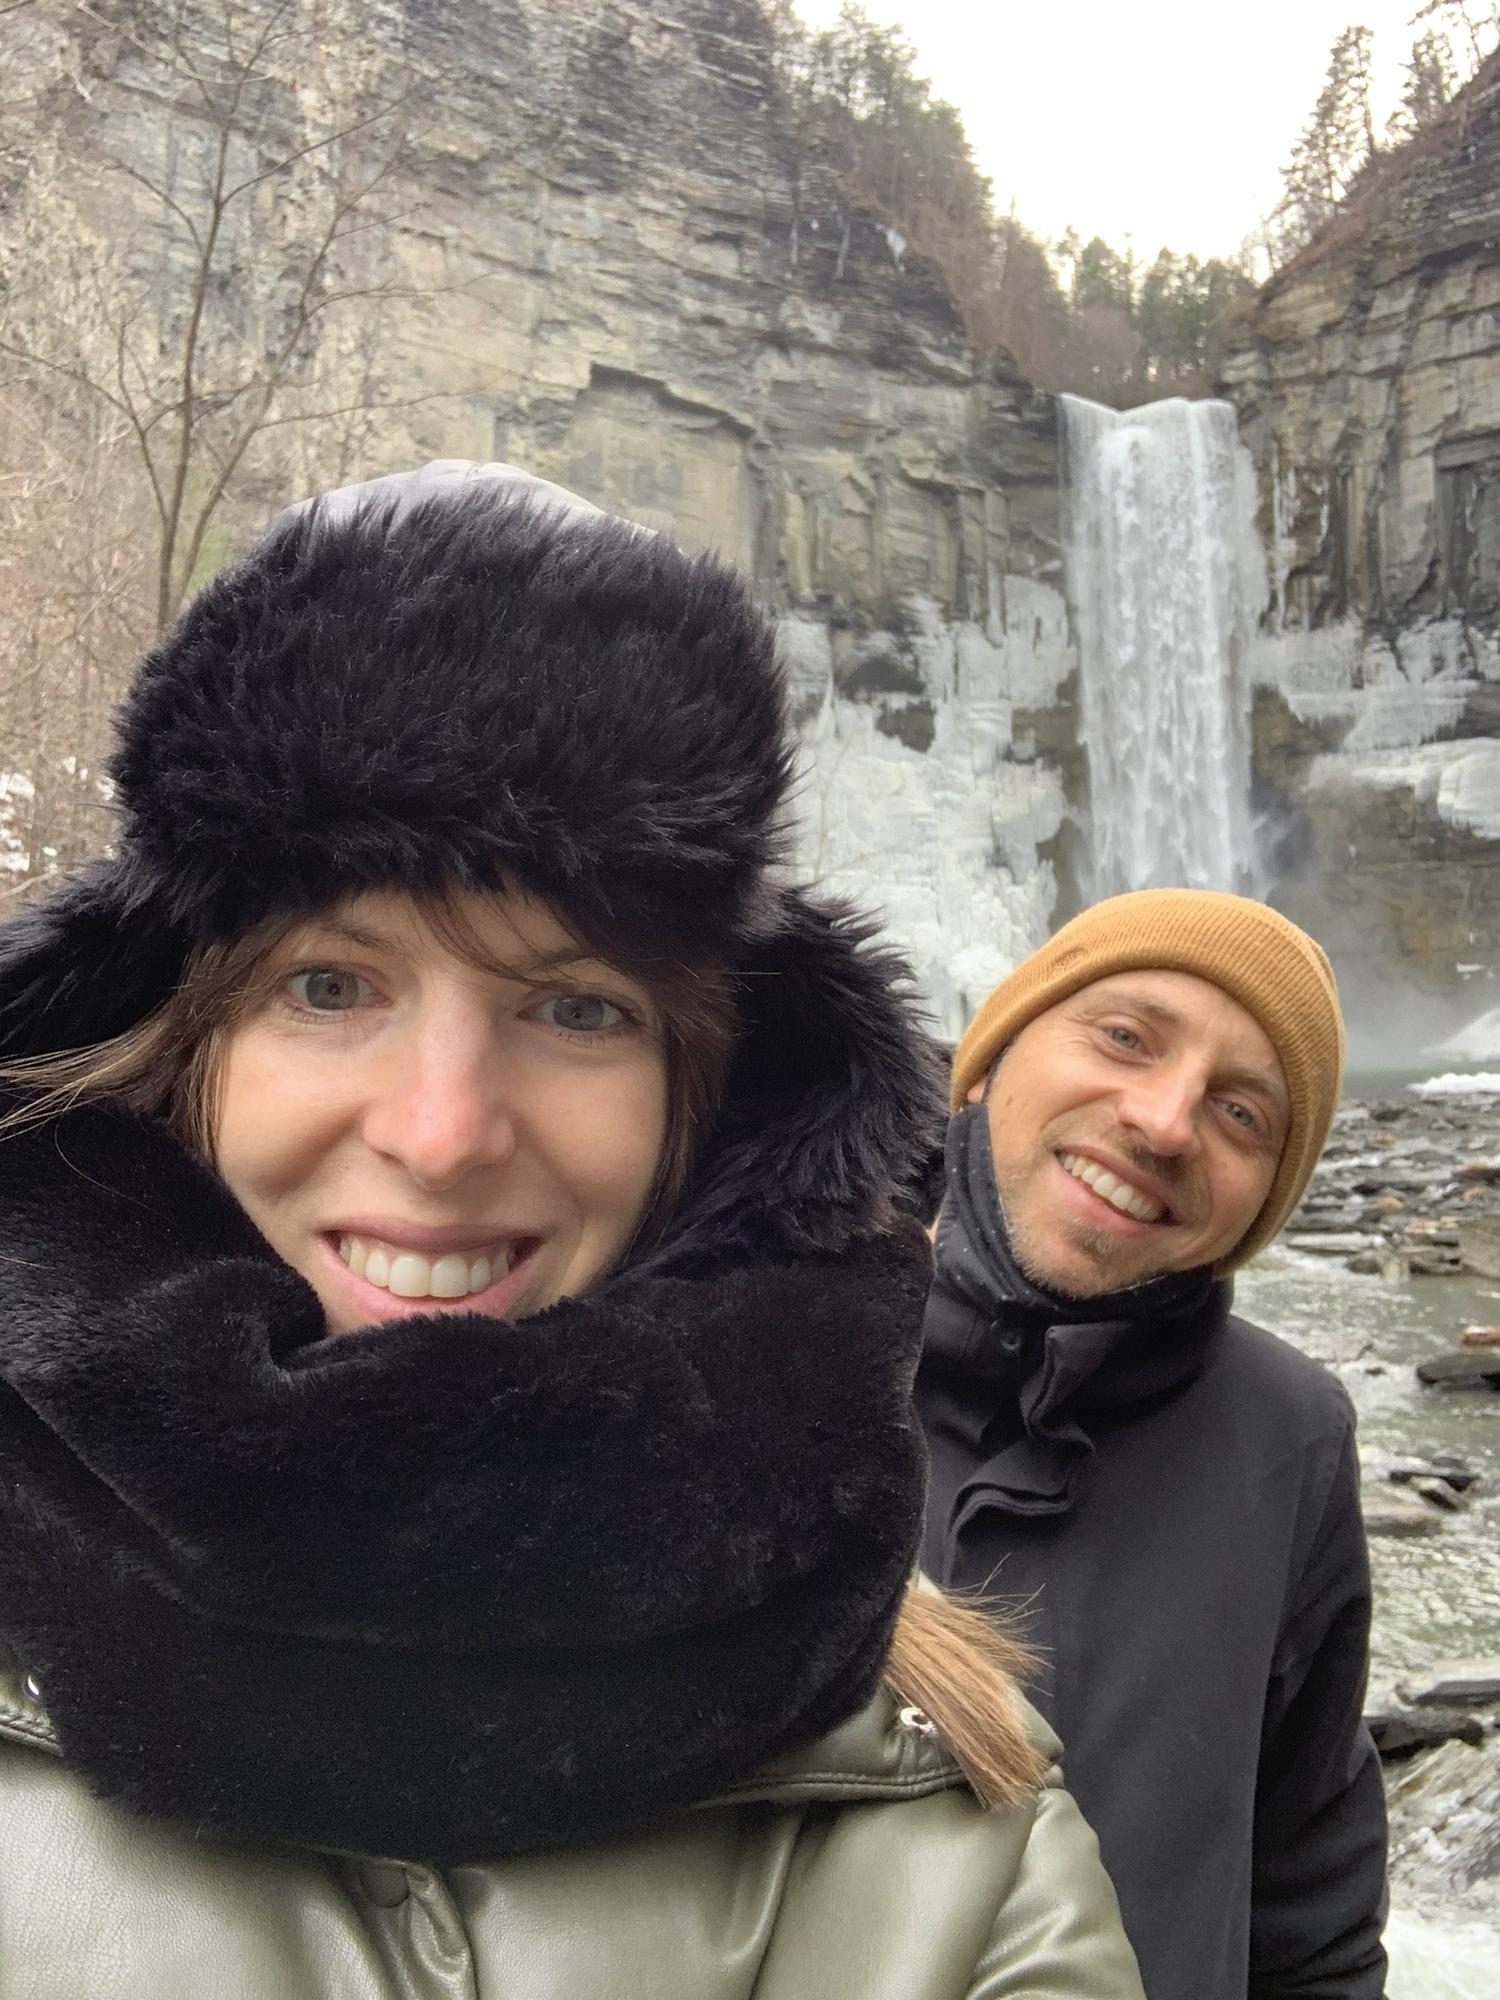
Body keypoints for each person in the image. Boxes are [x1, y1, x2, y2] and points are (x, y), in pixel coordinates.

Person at [0, 461, 1144, 2000]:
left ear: (712, 1106)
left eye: (576, 1007)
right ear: (177, 1047)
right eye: (330, 986)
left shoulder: (953, 1824)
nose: (442, 1131)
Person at [916, 889, 1389, 2000]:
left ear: (1262, 1201)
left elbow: (1311, 1910)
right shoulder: (743, 1351)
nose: (1166, 1120)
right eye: (1124, 1036)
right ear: (988, 1057)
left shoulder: (1292, 1442)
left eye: (1243, 1115)